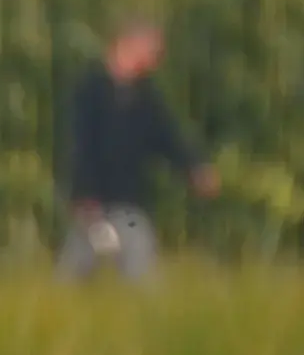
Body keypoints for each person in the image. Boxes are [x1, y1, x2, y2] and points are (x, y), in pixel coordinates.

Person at [56, 17, 218, 283]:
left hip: (128, 204)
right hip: (92, 204)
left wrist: (195, 168)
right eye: (153, 52)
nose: (157, 60)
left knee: (141, 268)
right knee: (75, 273)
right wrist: (84, 194)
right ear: (129, 45)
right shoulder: (90, 89)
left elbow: (167, 137)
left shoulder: (145, 96)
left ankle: (150, 320)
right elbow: (79, 144)